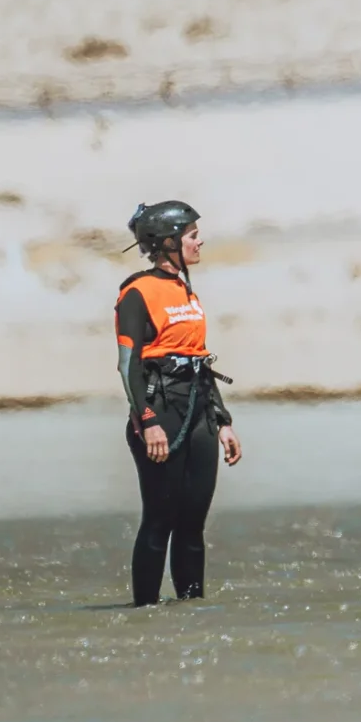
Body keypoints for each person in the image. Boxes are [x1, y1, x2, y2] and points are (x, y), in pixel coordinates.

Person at [115, 200, 242, 605]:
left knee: (193, 524)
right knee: (160, 520)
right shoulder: (137, 292)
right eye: (191, 236)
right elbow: (128, 365)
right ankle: (145, 613)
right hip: (161, 414)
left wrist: (222, 420)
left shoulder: (186, 290)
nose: (199, 241)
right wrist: (147, 419)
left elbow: (199, 358)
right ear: (167, 242)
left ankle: (192, 614)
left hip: (198, 413)